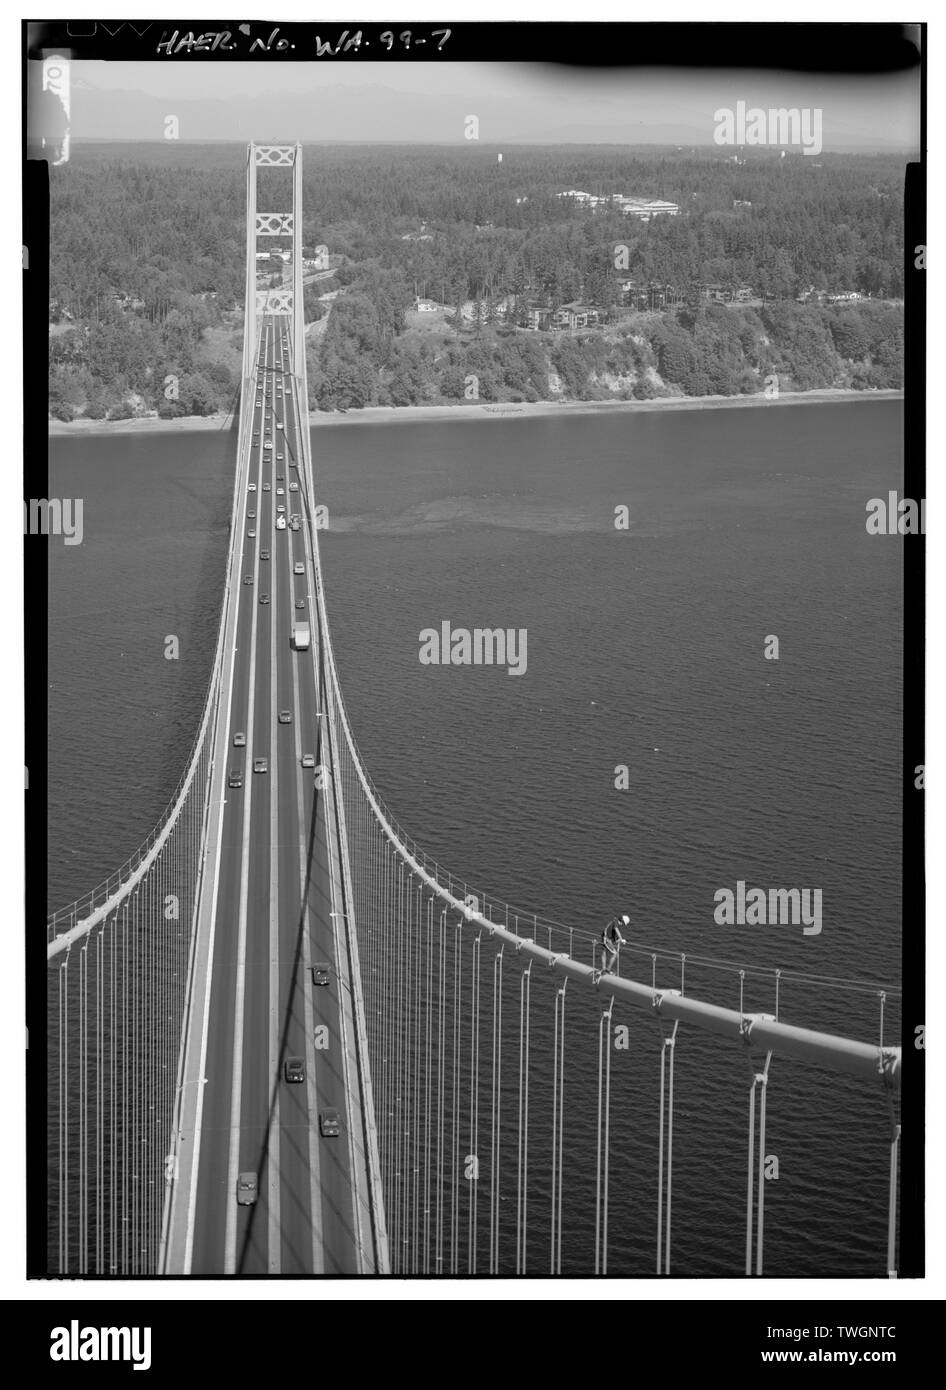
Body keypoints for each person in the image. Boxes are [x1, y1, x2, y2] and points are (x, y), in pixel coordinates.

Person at [597, 913, 629, 979]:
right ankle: (607, 970)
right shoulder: (616, 922)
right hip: (607, 939)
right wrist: (621, 939)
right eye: (623, 923)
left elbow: (614, 937)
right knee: (615, 954)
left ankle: (603, 969)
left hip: (604, 937)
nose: (622, 925)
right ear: (622, 921)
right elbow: (616, 930)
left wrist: (620, 940)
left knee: (604, 952)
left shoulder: (614, 921)